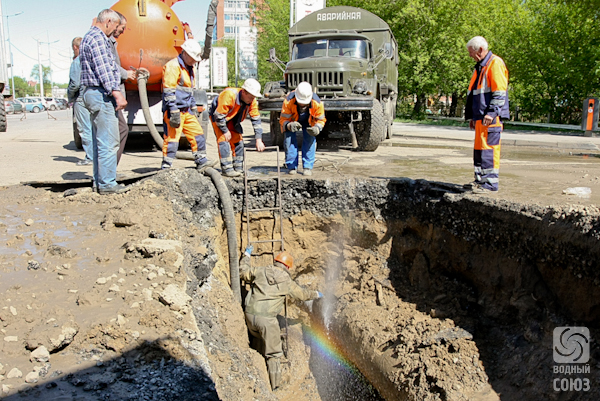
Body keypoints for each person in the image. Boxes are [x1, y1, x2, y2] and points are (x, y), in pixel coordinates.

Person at [240, 246, 322, 390]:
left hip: (248, 315)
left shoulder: (261, 271)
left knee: (258, 337)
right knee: (274, 354)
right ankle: (275, 387)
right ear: (288, 267)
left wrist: (246, 255)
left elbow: (242, 273)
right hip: (266, 321)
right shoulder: (286, 282)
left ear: (276, 261)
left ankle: (258, 352)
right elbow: (302, 294)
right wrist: (316, 294)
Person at [80, 9, 129, 195]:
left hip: (91, 94)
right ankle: (107, 184)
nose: (115, 30)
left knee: (99, 142)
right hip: (101, 94)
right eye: (116, 26)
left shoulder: (87, 37)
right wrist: (117, 93)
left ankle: (99, 181)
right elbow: (105, 70)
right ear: (108, 21)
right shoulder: (99, 39)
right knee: (109, 142)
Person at [161, 39, 217, 172]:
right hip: (175, 111)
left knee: (198, 134)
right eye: (193, 58)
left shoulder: (190, 69)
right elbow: (169, 91)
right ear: (185, 53)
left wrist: (193, 109)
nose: (194, 61)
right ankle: (166, 167)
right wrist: (173, 111)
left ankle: (201, 161)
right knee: (172, 140)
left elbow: (189, 92)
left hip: (186, 111)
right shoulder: (173, 66)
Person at [464, 36, 509, 193]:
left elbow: (499, 92)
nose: (470, 55)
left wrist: (492, 112)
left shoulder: (494, 64)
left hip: (490, 118)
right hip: (480, 118)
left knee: (489, 149)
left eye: (472, 52)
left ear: (481, 50)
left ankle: (489, 184)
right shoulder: (481, 66)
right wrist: (473, 116)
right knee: (480, 150)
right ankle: (480, 181)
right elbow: (476, 94)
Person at [209, 78, 266, 177]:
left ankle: (238, 168)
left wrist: (258, 139)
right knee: (224, 140)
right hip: (219, 118)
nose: (252, 99)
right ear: (244, 92)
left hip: (233, 119)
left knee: (239, 142)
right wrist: (225, 131)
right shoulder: (229, 95)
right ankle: (226, 169)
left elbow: (256, 120)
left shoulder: (251, 101)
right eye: (251, 97)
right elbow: (218, 116)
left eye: (254, 97)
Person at [279, 81, 326, 176]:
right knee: (289, 140)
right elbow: (283, 120)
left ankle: (307, 166)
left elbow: (321, 120)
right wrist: (289, 125)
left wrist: (317, 128)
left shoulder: (317, 103)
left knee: (310, 139)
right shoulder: (288, 101)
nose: (302, 105)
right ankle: (291, 166)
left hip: (309, 121)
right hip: (292, 121)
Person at [110, 11, 137, 165]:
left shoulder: (111, 42)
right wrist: (126, 74)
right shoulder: (106, 42)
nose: (123, 31)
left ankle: (107, 173)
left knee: (119, 131)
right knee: (120, 131)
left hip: (113, 95)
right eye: (122, 27)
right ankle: (108, 173)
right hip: (110, 96)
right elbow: (109, 66)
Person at [67, 37, 93, 166]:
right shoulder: (91, 59)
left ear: (75, 47)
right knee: (94, 128)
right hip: (92, 97)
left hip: (81, 98)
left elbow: (75, 84)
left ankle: (90, 157)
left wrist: (70, 97)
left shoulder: (77, 62)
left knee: (84, 129)